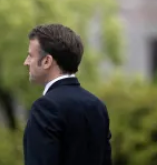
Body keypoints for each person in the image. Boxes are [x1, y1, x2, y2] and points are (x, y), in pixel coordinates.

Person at [23, 23, 112, 165]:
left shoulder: (45, 107)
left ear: (47, 61)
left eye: (30, 56)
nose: (26, 62)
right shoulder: (97, 106)